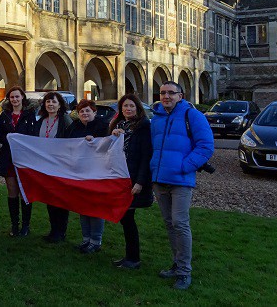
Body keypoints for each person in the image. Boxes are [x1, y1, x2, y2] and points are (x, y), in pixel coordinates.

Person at [150, 81, 214, 290]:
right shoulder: (157, 118)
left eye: (171, 93)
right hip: (160, 180)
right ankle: (177, 264)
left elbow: (205, 146)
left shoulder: (192, 116)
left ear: (180, 95)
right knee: (169, 224)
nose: (166, 96)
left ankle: (185, 272)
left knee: (180, 223)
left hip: (181, 180)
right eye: (162, 93)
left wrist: (184, 166)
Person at [109, 93, 153, 269]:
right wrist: (113, 135)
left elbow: (146, 156)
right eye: (125, 106)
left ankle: (133, 258)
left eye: (131, 106)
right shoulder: (119, 125)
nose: (128, 109)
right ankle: (129, 256)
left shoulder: (142, 127)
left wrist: (140, 182)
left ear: (138, 108)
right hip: (120, 177)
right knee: (125, 219)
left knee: (128, 219)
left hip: (133, 178)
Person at [65, 99, 110, 254]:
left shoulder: (103, 126)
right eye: (81, 111)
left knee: (95, 207)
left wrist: (94, 141)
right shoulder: (75, 126)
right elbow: (65, 143)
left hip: (97, 172)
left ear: (94, 112)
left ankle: (96, 240)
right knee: (83, 206)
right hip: (80, 172)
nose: (84, 113)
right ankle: (86, 239)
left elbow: (108, 145)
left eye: (87, 111)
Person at [0, 86, 37, 237]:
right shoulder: (5, 115)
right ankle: (14, 225)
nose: (14, 99)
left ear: (22, 98)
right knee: (12, 191)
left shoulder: (29, 114)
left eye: (17, 97)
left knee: (24, 193)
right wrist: (7, 138)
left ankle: (26, 226)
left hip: (25, 159)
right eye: (12, 97)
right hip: (9, 158)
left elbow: (33, 135)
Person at [32, 91, 72, 243]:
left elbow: (71, 141)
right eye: (48, 102)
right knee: (49, 198)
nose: (50, 104)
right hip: (45, 166)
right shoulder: (41, 120)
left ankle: (61, 231)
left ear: (59, 104)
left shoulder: (65, 120)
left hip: (60, 166)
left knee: (60, 198)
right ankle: (53, 229)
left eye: (53, 102)